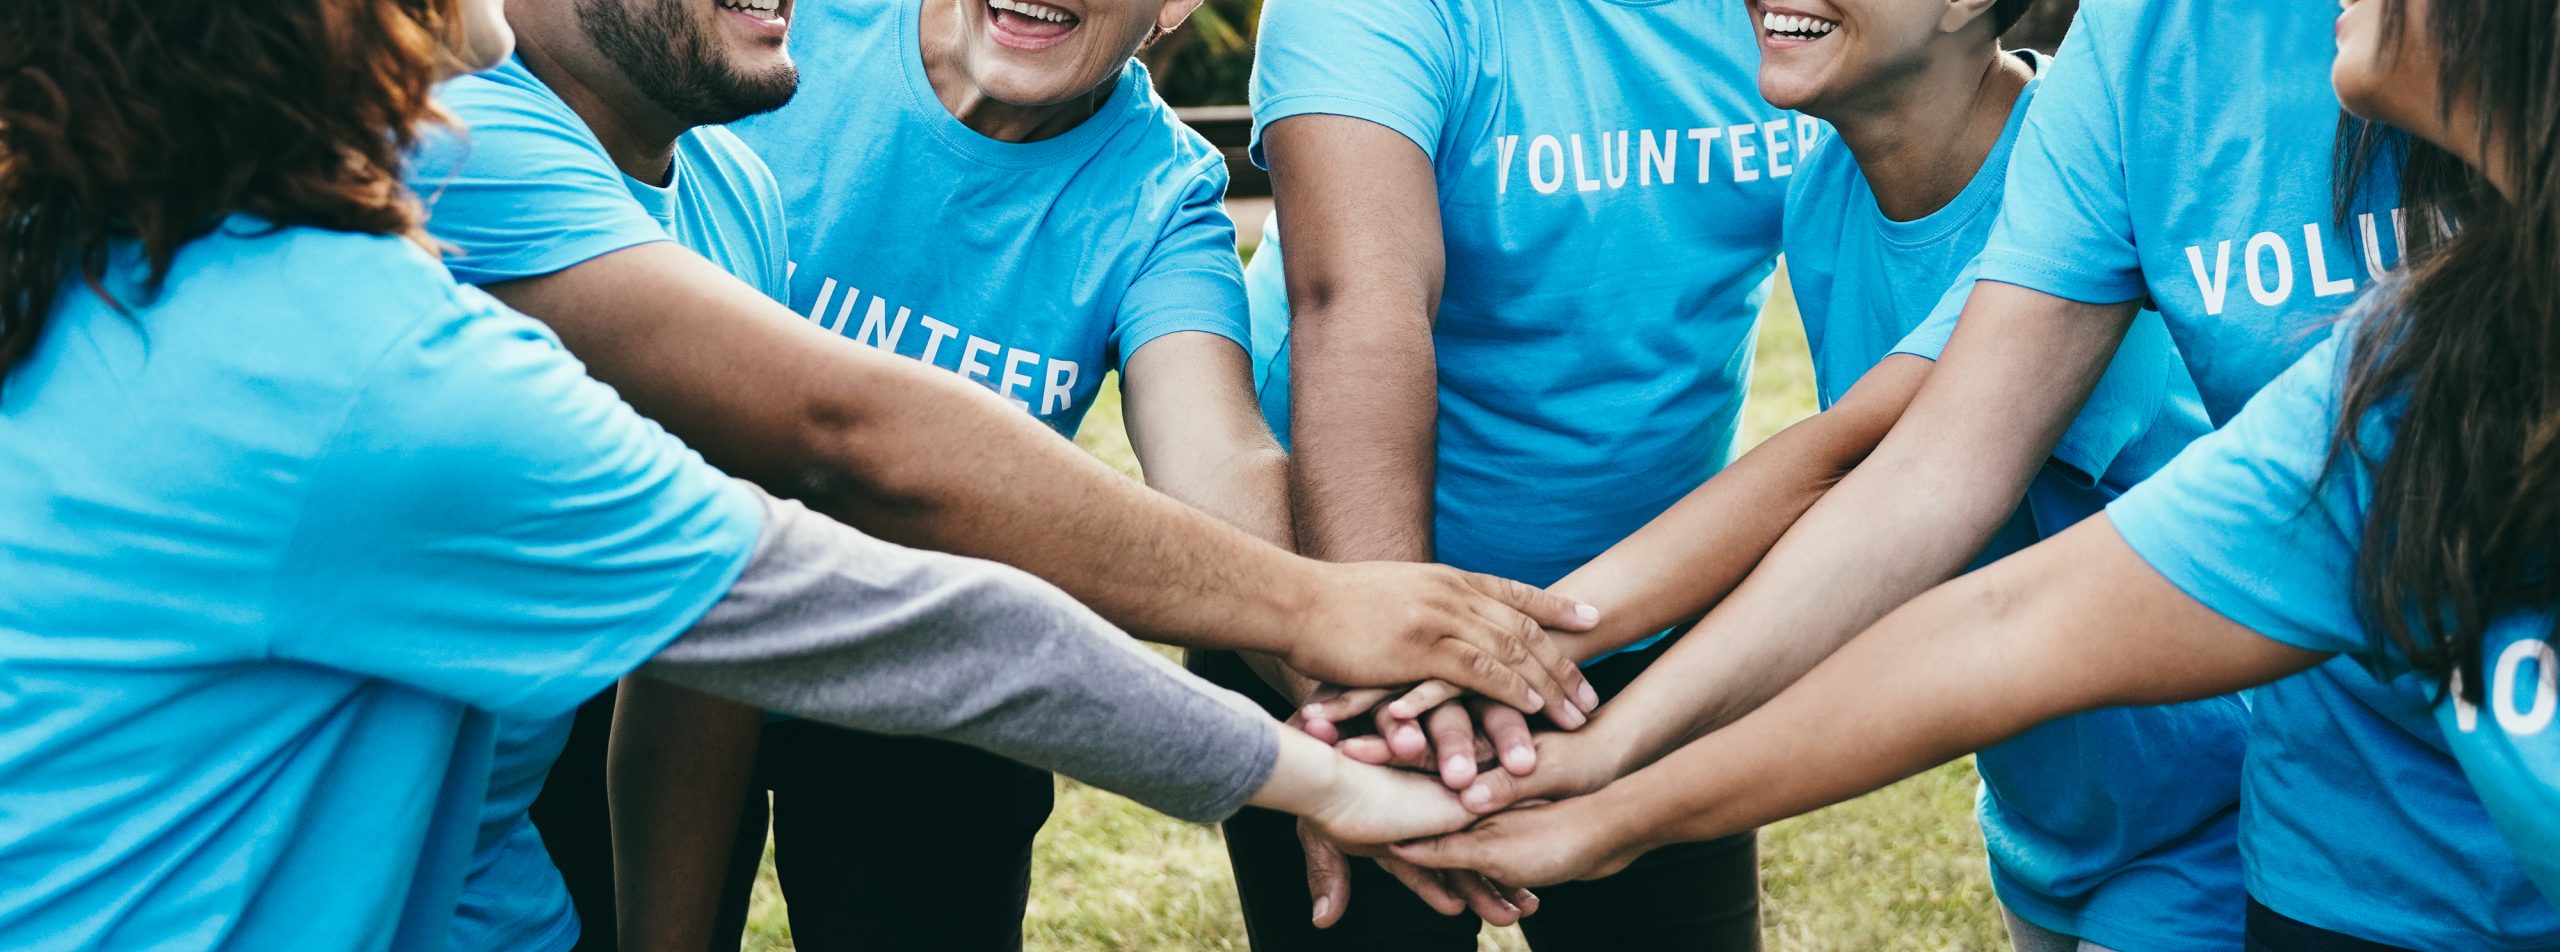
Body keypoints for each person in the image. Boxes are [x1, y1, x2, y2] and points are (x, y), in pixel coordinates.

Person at [0, 2, 1549, 949]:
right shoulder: (397, 324)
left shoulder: (129, 238)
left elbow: (730, 627)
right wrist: (1326, 735)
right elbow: (853, 486)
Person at [1398, 0, 2560, 948]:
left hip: (2193, 824)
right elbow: (1983, 584)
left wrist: (1563, 713)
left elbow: (1853, 465)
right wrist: (1602, 779)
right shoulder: (2390, 380)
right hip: (2316, 854)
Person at [1320, 1, 2236, 948]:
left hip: (2207, 810)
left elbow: (1843, 467)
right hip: (2055, 822)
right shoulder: (1828, 187)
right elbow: (1841, 500)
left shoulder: (2074, 180)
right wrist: (1470, 660)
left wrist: (1537, 691)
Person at [620, 0, 1324, 945]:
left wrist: (1351, 719)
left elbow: (1220, 459)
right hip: (648, 616)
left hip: (921, 674)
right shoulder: (779, 38)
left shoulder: (1163, 194)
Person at [1207, 0, 1821, 946]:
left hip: (1641, 624)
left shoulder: (1794, 15)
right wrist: (1384, 691)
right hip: (1334, 618)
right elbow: (1358, 301)